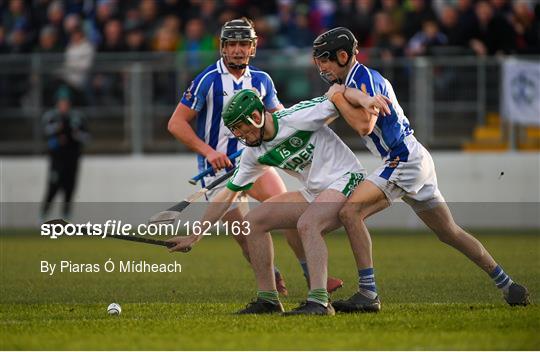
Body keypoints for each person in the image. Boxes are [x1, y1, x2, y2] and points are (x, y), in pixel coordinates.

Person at [310, 27, 530, 312]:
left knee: (350, 212)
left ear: (342, 56)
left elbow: (363, 125)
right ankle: (508, 284)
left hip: (403, 158)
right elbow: (349, 94)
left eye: (325, 59)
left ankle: (368, 293)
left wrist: (337, 98)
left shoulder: (362, 78)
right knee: (448, 232)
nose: (321, 66)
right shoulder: (357, 78)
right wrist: (340, 94)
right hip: (414, 156)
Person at [168, 88, 391, 315]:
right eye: (235, 131)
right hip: (314, 192)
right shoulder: (253, 152)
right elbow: (227, 194)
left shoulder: (298, 117)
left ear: (255, 118)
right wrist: (195, 235)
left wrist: (366, 99)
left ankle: (320, 302)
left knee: (308, 223)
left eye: (241, 129)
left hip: (347, 179)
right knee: (253, 221)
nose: (240, 136)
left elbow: (338, 95)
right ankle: (269, 300)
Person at [167, 18, 343, 296]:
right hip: (218, 171)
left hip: (255, 161)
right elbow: (176, 123)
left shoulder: (262, 80)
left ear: (253, 47)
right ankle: (270, 277)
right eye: (232, 44)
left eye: (244, 44)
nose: (238, 49)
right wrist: (210, 152)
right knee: (245, 237)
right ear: (223, 47)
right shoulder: (207, 80)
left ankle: (311, 274)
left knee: (285, 216)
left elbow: (280, 117)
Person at [41, 86, 89, 220]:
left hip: (72, 158)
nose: (64, 105)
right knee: (53, 188)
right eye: (62, 102)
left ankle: (66, 218)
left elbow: (86, 137)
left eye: (66, 102)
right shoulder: (51, 117)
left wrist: (75, 135)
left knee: (69, 189)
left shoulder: (78, 117)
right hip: (57, 159)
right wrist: (58, 131)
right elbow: (45, 133)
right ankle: (43, 216)